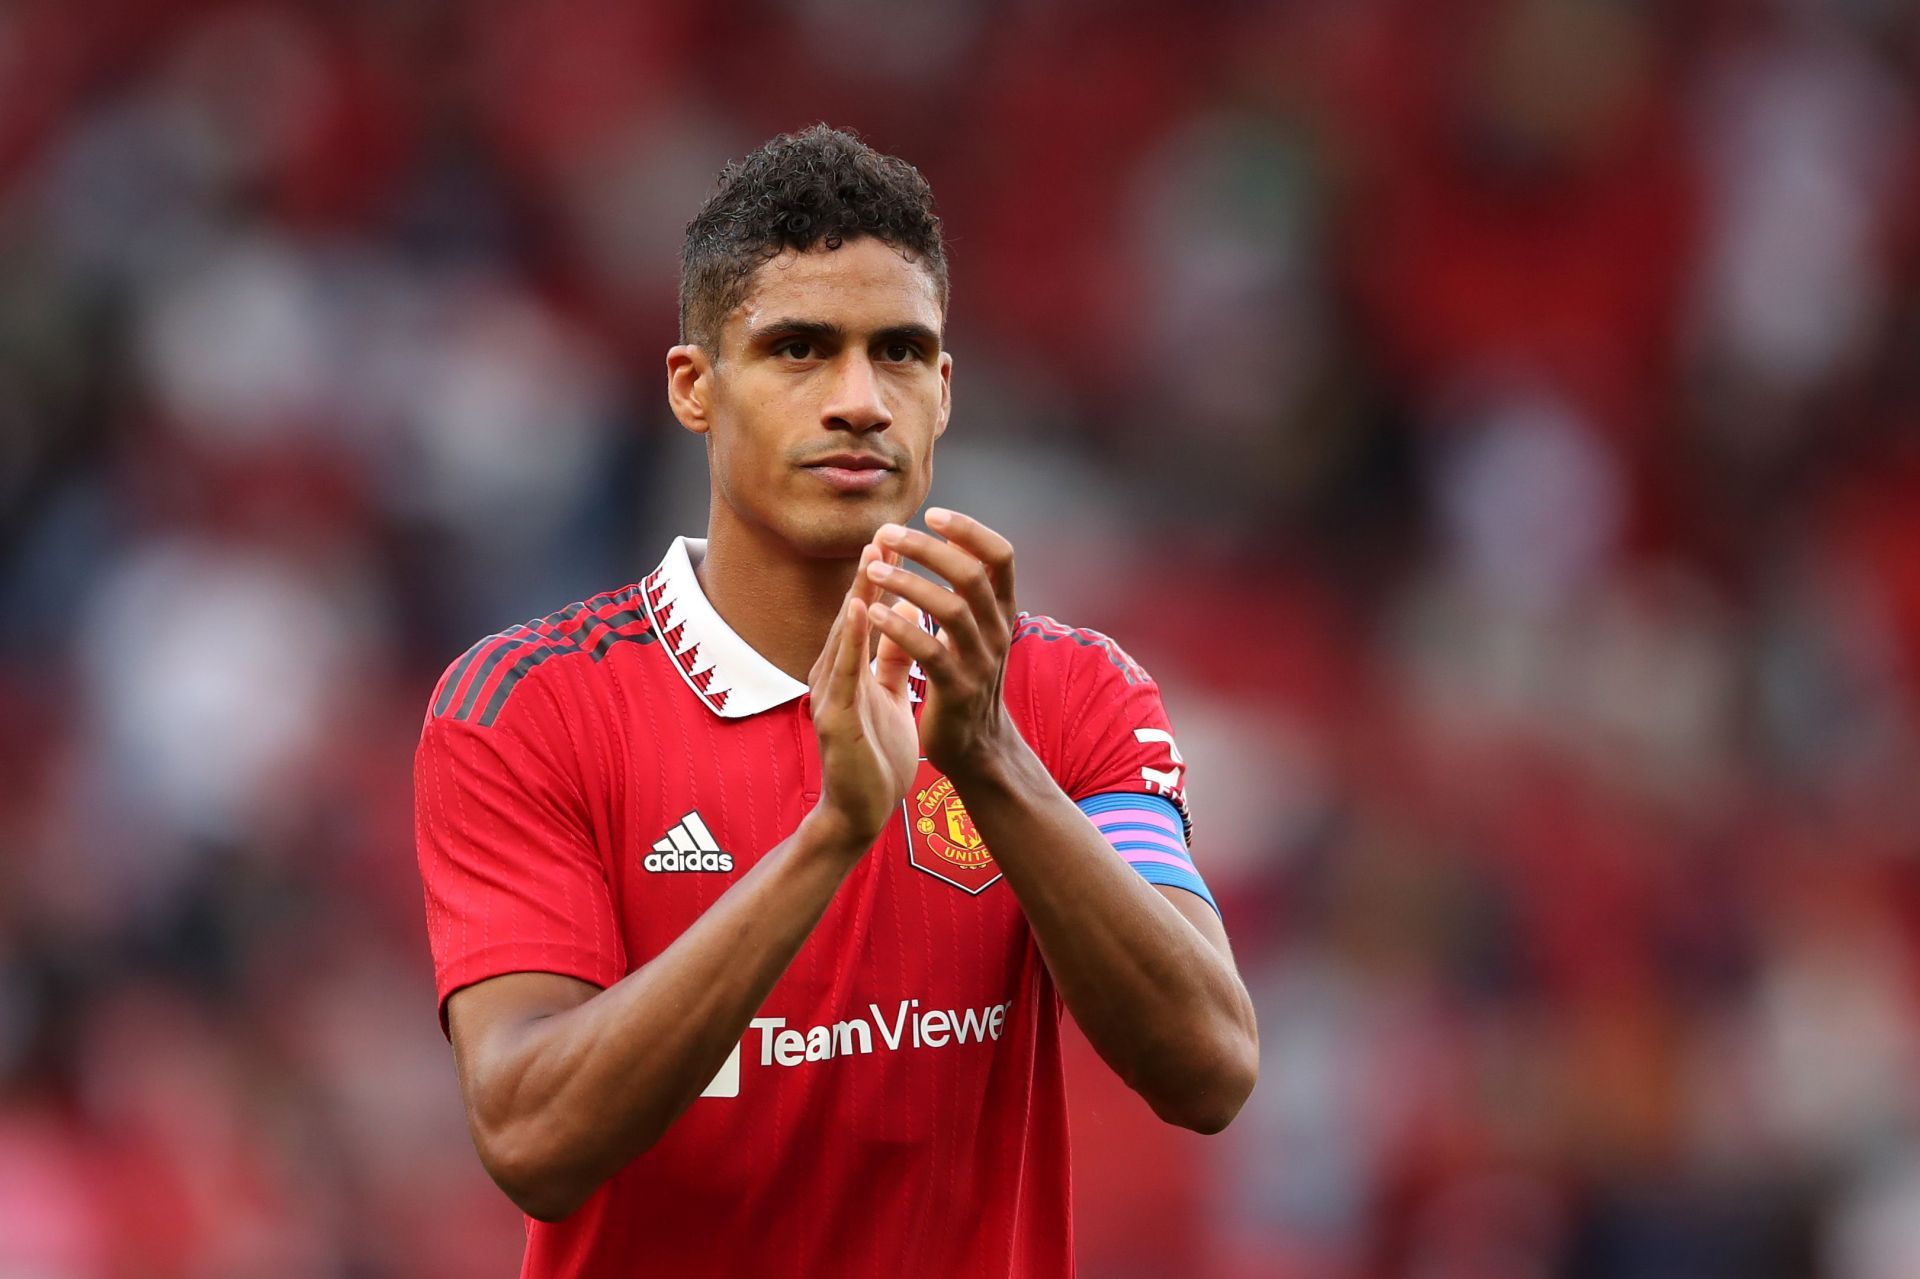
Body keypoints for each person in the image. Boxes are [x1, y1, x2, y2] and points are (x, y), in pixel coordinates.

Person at [413, 124, 1258, 1278]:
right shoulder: (528, 707)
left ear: (945, 390)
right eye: (800, 349)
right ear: (695, 387)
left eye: (901, 352)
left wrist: (992, 759)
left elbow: (1210, 1066)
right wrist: (832, 834)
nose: (860, 399)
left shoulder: (1064, 694)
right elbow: (530, 1134)